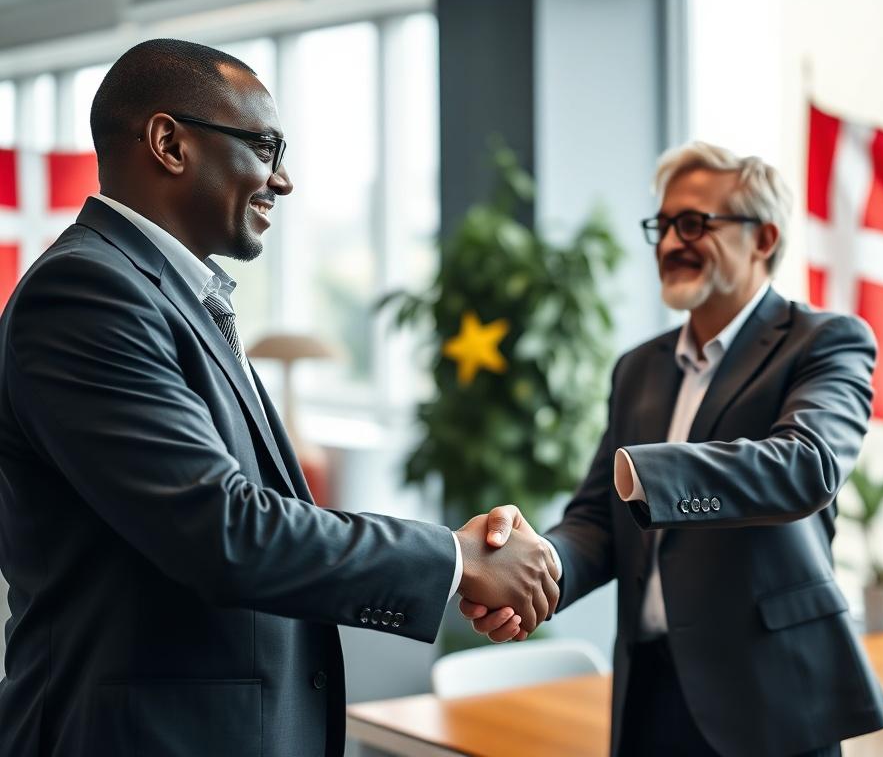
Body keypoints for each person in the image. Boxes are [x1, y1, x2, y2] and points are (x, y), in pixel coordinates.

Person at [0, 39, 558, 757]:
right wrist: (454, 560)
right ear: (169, 143)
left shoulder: (168, 294)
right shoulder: (85, 294)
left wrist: (463, 559)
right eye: (265, 146)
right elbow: (223, 528)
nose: (283, 180)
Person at [461, 142, 883, 756]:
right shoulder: (639, 367)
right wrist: (535, 572)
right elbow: (597, 521)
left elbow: (808, 466)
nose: (669, 243)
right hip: (650, 692)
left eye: (692, 223)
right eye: (661, 225)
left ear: (765, 237)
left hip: (770, 695)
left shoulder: (825, 341)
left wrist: (651, 473)